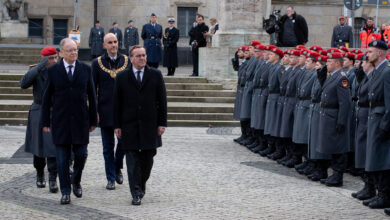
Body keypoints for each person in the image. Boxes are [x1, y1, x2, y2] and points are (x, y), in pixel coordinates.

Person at [41, 38, 97, 205]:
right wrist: (45, 122)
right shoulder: (53, 71)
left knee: (81, 154)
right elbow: (46, 98)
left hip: (81, 120)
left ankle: (76, 180)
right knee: (62, 159)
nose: (74, 53)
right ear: (61, 53)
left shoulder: (85, 70)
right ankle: (65, 191)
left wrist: (93, 119)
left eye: (75, 50)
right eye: (70, 50)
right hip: (60, 121)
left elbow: (92, 97)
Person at [113, 45, 167, 206]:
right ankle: (135, 191)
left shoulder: (155, 75)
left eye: (144, 55)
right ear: (131, 59)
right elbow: (116, 103)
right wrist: (117, 125)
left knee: (148, 160)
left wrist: (162, 123)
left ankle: (141, 184)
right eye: (138, 56)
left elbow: (162, 101)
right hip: (129, 125)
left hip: (150, 125)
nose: (142, 58)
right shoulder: (122, 77)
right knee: (132, 161)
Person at [91, 33, 128, 190]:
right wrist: (94, 111)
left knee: (123, 144)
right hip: (105, 109)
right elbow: (92, 89)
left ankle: (117, 165)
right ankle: (111, 177)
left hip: (123, 110)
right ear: (104, 45)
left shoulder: (126, 61)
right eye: (110, 43)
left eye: (115, 42)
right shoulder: (97, 63)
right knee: (107, 147)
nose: (113, 45)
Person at [20, 46, 58, 193]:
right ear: (43, 59)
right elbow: (23, 84)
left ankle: (53, 178)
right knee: (38, 146)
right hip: (39, 110)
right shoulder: (36, 71)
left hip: (55, 111)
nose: (54, 61)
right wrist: (40, 66)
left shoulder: (59, 70)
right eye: (50, 58)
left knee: (53, 146)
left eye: (55, 57)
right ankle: (40, 173)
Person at [317, 52, 351, 187]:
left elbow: (345, 102)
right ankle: (334, 174)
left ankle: (338, 176)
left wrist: (341, 121)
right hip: (328, 115)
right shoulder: (333, 76)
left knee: (338, 147)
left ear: (337, 63)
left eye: (329, 61)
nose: (327, 64)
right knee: (332, 146)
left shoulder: (342, 78)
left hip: (335, 115)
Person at [364, 40, 390, 209]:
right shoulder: (376, 71)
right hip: (374, 116)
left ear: (380, 53)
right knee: (375, 158)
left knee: (382, 159)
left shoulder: (386, 71)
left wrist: (385, 125)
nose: (368, 55)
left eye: (371, 52)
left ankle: (384, 195)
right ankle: (380, 193)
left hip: (381, 119)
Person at [351, 54, 376, 201]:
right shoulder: (367, 76)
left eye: (363, 62)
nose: (360, 65)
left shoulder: (374, 76)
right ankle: (367, 186)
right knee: (362, 151)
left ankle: (371, 187)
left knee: (367, 152)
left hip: (368, 116)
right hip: (363, 115)